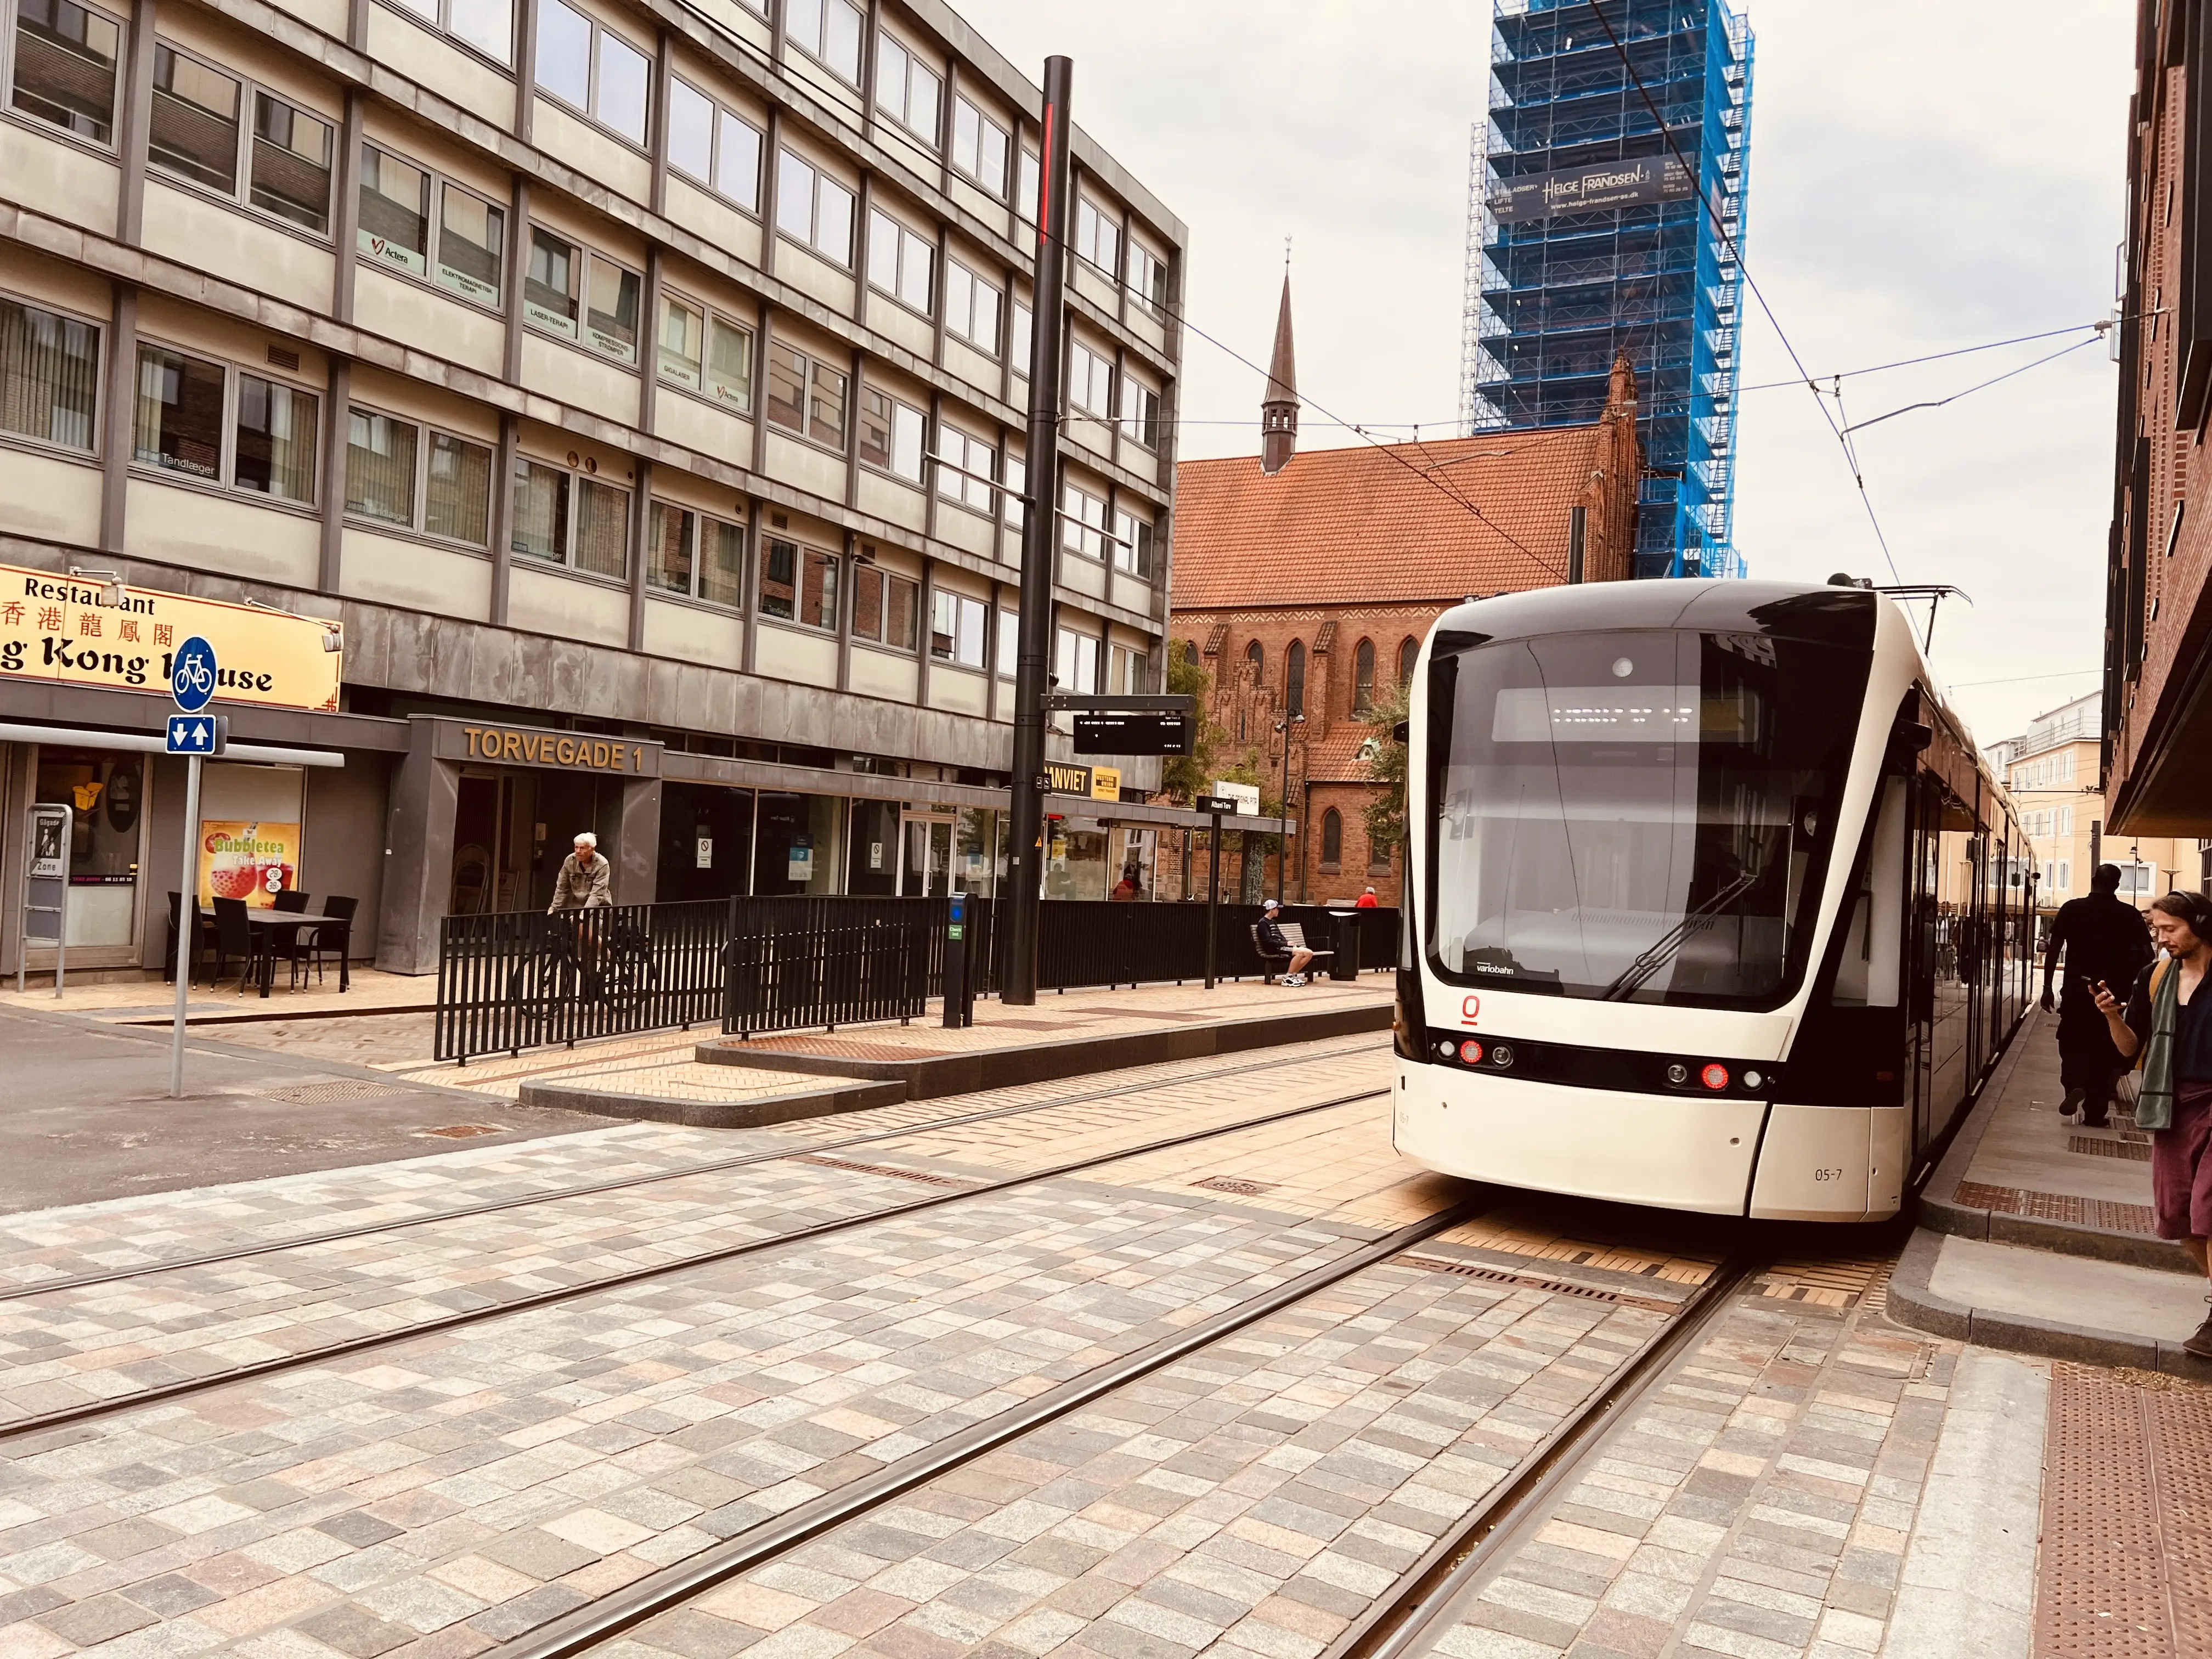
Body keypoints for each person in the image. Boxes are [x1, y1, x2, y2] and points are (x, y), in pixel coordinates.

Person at [2092, 889, 2212, 1358]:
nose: (2161, 939)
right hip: (2171, 1106)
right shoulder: (2156, 976)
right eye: (2156, 930)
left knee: (2208, 1210)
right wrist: (2110, 1016)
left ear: (2200, 923)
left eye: (2170, 929)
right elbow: (2129, 1049)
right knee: (2181, 1222)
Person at [2042, 864, 2155, 1127]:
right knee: (2104, 1050)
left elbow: (2054, 949)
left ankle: (2073, 1085)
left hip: (2076, 991)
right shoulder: (2129, 915)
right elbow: (2148, 956)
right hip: (2113, 996)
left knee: (2071, 1041)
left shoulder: (2072, 909)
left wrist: (2047, 987)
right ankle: (2095, 1113)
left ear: (2094, 881)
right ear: (2117, 885)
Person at [548, 832, 612, 913]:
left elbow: (597, 894)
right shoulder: (570, 861)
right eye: (576, 847)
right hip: (577, 906)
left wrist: (585, 913)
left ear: (592, 849)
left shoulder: (602, 864)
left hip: (598, 908)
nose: (578, 851)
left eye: (582, 848)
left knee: (589, 924)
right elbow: (562, 888)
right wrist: (554, 907)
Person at [1258, 897, 1314, 985]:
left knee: (1309, 953)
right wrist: (1285, 944)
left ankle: (1293, 975)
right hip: (1275, 948)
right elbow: (1268, 941)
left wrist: (1289, 944)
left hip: (1281, 946)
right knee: (1299, 953)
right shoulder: (1263, 923)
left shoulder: (1273, 921)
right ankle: (1287, 978)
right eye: (1277, 909)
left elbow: (1280, 936)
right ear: (1272, 910)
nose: (1278, 911)